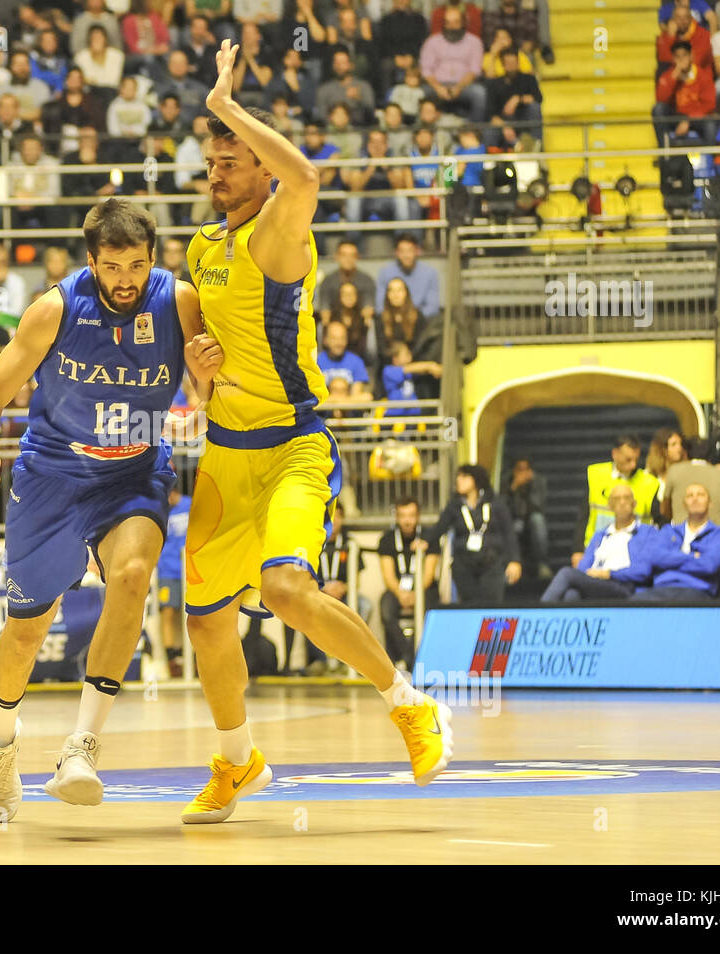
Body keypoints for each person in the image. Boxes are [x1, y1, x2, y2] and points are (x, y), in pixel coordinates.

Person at [179, 40, 454, 827]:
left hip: (295, 447)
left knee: (286, 588)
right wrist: (197, 367)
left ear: (261, 170)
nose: (216, 169)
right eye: (211, 159)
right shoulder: (202, 247)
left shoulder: (278, 230)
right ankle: (239, 761)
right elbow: (198, 342)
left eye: (229, 159)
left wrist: (228, 107)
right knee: (204, 621)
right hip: (224, 458)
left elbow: (307, 176)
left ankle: (409, 706)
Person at [0, 198, 222, 822]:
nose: (125, 279)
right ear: (91, 263)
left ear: (154, 260)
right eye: (112, 267)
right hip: (51, 476)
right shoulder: (54, 308)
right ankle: (0, 743)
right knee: (27, 631)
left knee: (132, 576)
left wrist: (206, 380)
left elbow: (206, 400)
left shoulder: (179, 302)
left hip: (132, 472)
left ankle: (81, 748)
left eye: (136, 265)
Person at [425, 463, 522, 603]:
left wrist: (514, 560)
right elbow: (440, 528)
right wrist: (425, 540)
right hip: (464, 564)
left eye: (464, 476)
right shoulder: (454, 505)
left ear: (476, 480)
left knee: (491, 605)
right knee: (469, 605)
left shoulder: (495, 503)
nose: (459, 480)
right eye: (458, 476)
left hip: (492, 563)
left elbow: (508, 532)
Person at [543, 484, 657, 601]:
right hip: (596, 582)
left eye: (626, 498)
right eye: (617, 499)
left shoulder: (647, 532)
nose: (622, 502)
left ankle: (538, 615)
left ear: (634, 503)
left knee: (566, 573)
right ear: (610, 506)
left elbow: (644, 570)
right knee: (572, 594)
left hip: (623, 585)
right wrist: (592, 575)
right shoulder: (600, 535)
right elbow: (583, 567)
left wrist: (609, 574)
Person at [572, 435, 663, 566]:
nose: (633, 465)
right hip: (597, 549)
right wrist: (578, 550)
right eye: (628, 459)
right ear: (615, 454)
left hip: (634, 552)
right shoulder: (596, 475)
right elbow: (583, 515)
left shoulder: (649, 483)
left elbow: (659, 520)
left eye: (636, 459)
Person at [632, 484, 720, 601]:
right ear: (684, 504)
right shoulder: (668, 531)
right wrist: (692, 556)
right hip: (662, 588)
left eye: (700, 495)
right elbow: (654, 558)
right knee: (631, 604)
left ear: (710, 503)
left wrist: (671, 560)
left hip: (697, 591)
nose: (695, 499)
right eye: (690, 496)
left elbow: (710, 565)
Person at [378, 495, 439, 671]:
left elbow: (429, 573)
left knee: (430, 608)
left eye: (411, 515)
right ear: (396, 517)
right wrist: (401, 594)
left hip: (424, 589)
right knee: (386, 607)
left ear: (418, 516)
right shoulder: (387, 539)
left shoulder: (429, 537)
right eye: (403, 515)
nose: (407, 520)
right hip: (397, 590)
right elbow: (388, 575)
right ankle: (408, 657)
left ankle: (408, 660)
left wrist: (415, 594)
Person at [157, 486, 192, 677]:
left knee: (194, 614)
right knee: (168, 611)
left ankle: (194, 657)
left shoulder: (190, 505)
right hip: (167, 570)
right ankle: (172, 657)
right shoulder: (161, 510)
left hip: (191, 570)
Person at [664, 437, 720, 525]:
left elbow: (664, 507)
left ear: (685, 453)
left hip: (680, 533)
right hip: (715, 533)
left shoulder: (673, 471)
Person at [503, 456, 549, 580]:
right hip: (513, 518)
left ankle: (542, 564)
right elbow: (502, 508)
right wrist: (514, 488)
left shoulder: (538, 481)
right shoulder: (506, 481)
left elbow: (538, 506)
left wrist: (529, 486)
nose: (522, 473)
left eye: (525, 469)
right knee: (510, 527)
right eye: (519, 469)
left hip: (531, 518)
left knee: (538, 521)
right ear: (514, 470)